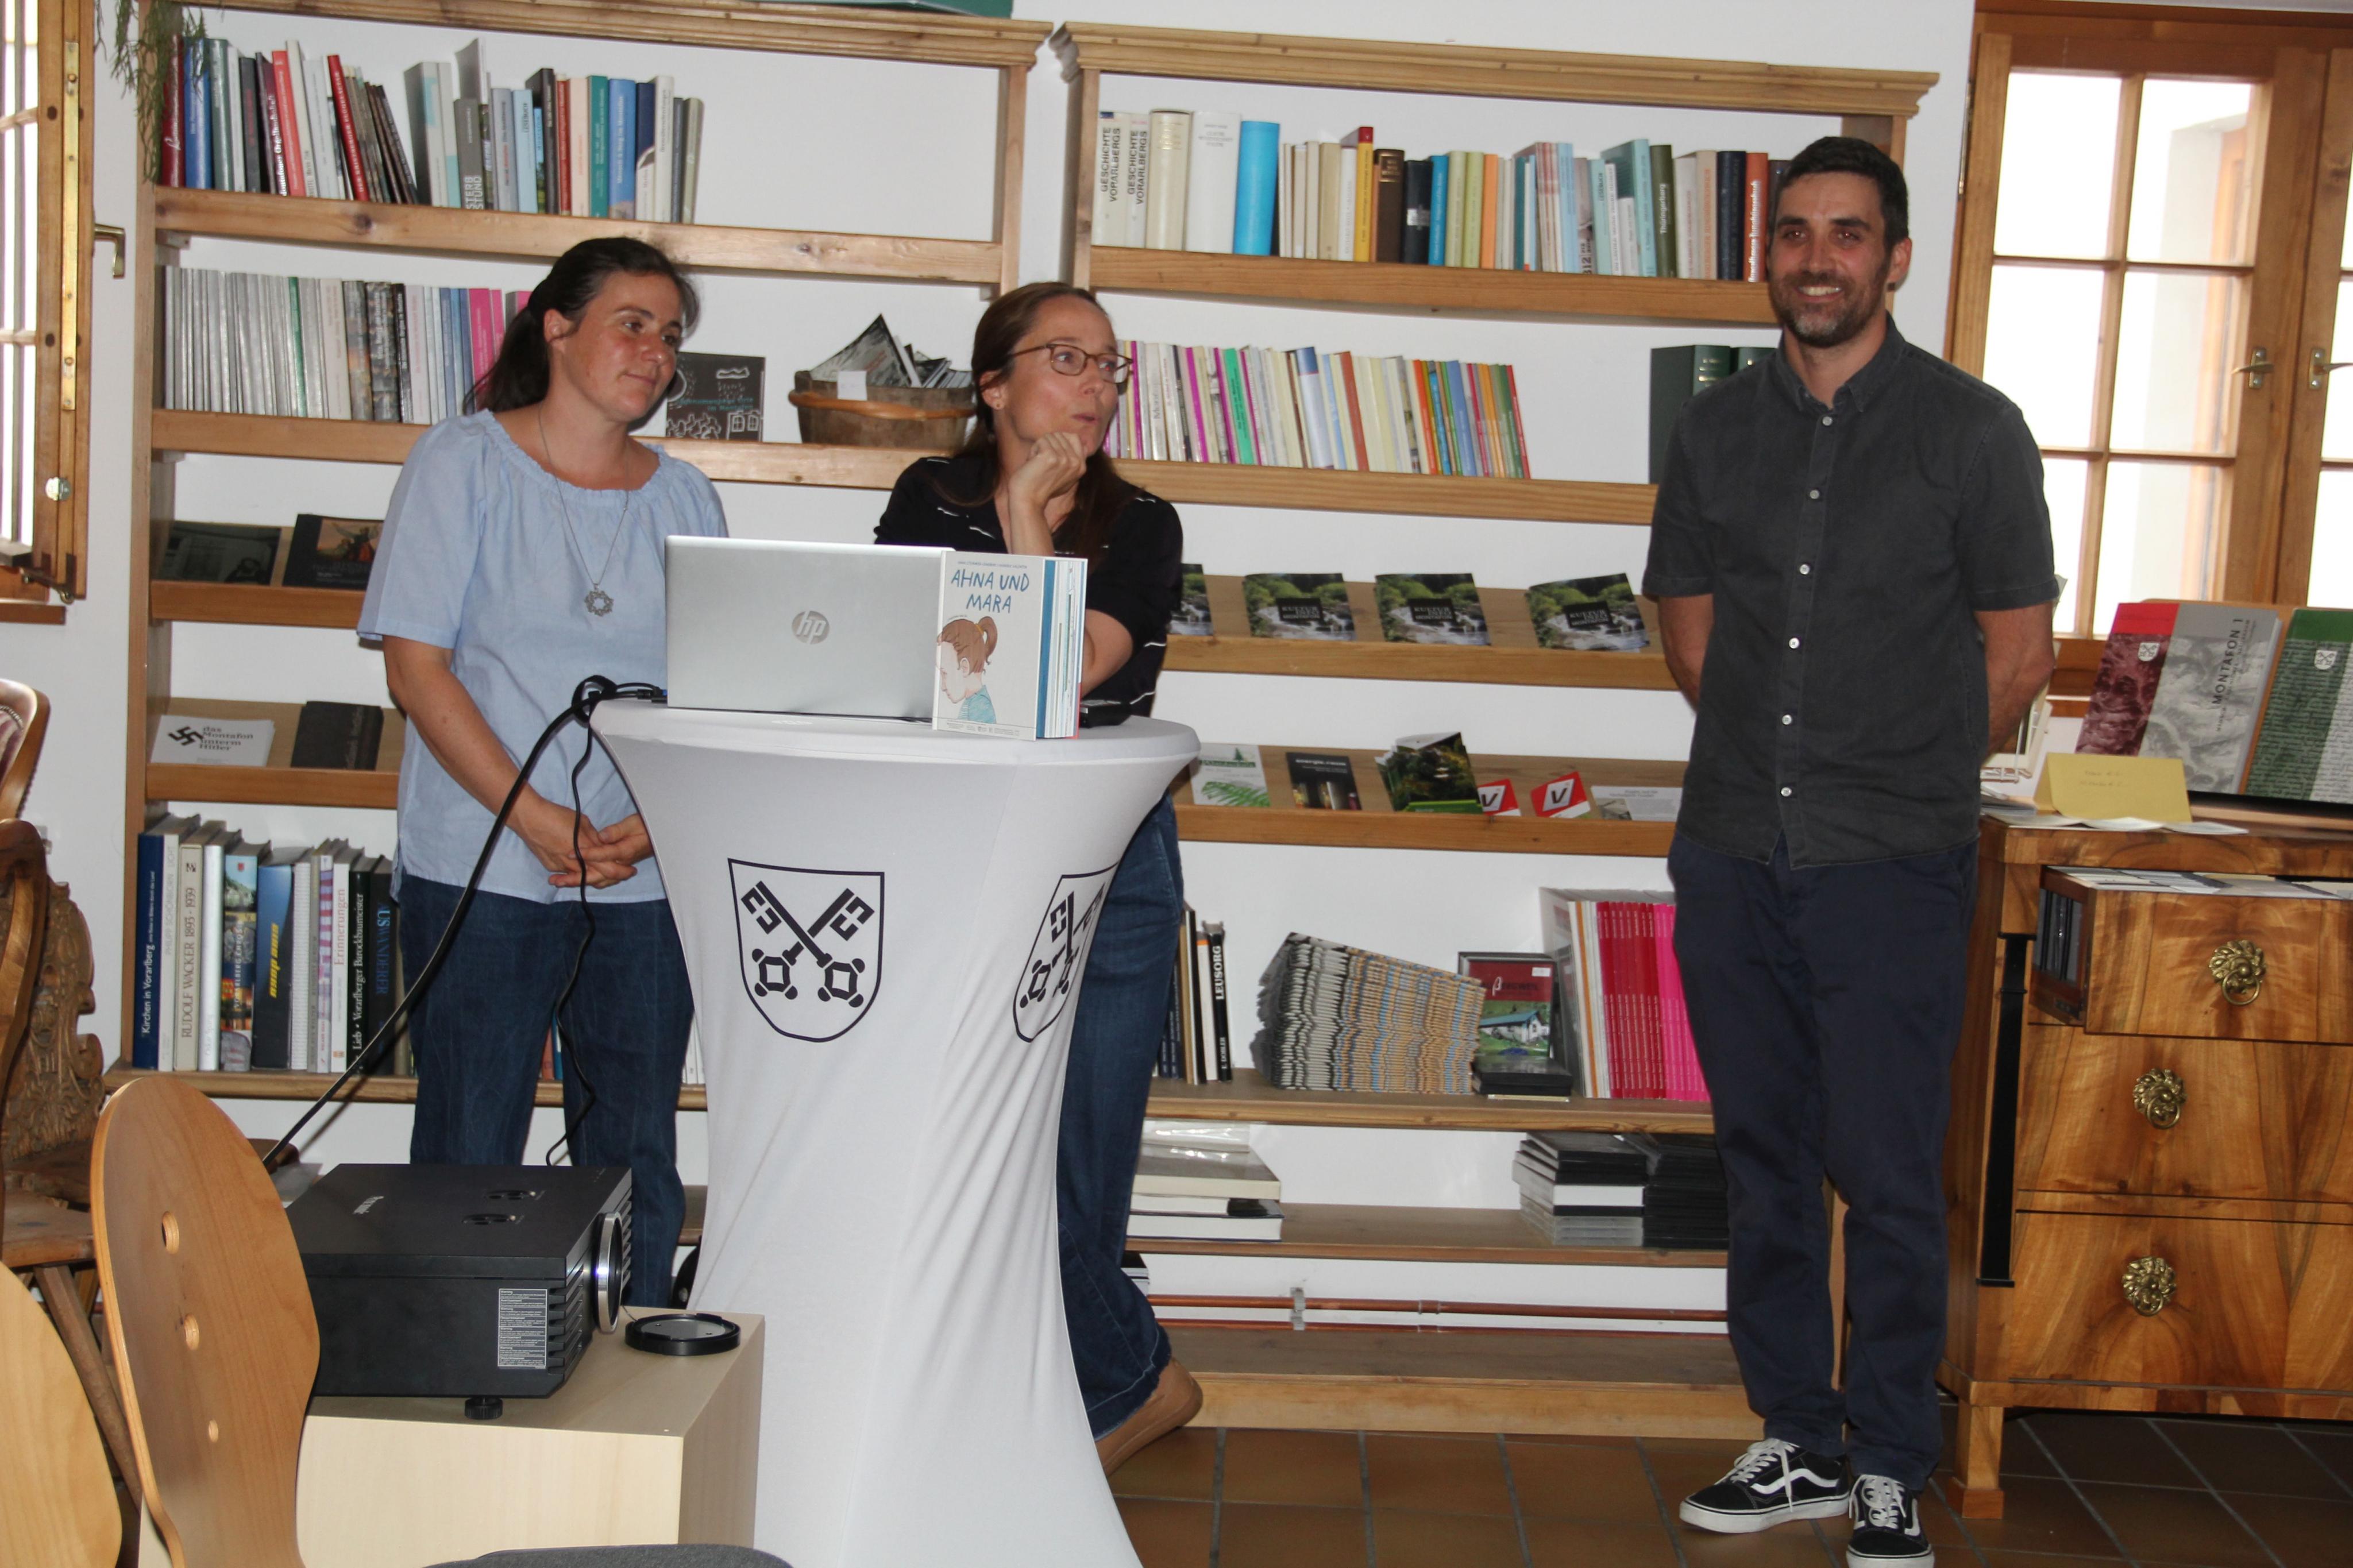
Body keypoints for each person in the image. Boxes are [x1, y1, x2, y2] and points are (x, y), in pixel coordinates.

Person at [1642, 137, 2057, 1568]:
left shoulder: (1972, 431)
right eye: (1795, 234)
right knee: (1761, 1160)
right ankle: (1796, 1437)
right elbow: (1686, 623)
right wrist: (1776, 763)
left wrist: (1896, 771)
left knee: (1885, 1172)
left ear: (1893, 258)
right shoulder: (1713, 430)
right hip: (1732, 849)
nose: (1816, 259)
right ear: (1767, 255)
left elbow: (2017, 652)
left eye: (1846, 234)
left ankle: (1886, 1460)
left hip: (1891, 859)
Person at [358, 238, 726, 1307]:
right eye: (632, 323)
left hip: (640, 871)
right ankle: (463, 1369)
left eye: (671, 335)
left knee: (636, 1147)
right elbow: (416, 669)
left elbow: (715, 693)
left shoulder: (688, 499)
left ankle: (635, 1366)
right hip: (485, 863)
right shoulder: (460, 463)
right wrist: (534, 818)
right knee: (473, 1139)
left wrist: (657, 825)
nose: (656, 352)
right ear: (555, 326)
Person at [874, 281, 1194, 1470]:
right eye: (1067, 358)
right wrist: (1001, 501)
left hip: (1106, 855)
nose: (1096, 384)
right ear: (994, 383)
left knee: (1079, 1166)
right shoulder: (926, 498)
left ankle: (1096, 1399)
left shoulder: (1142, 524)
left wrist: (1025, 518)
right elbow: (920, 683)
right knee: (961, 1151)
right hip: (962, 846)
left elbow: (1051, 681)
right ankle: (1122, 1384)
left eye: (1109, 365)